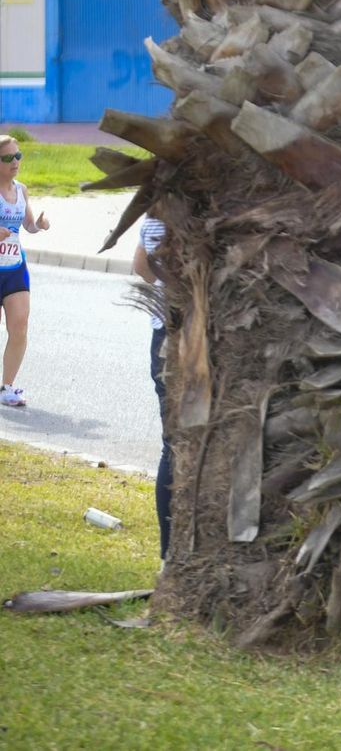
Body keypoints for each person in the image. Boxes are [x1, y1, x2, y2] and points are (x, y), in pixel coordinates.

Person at [132, 215, 173, 559]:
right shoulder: (200, 203)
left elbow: (140, 266)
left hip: (162, 336)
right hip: (187, 337)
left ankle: (168, 557)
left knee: (172, 446)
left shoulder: (154, 213)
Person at [0, 135, 48, 408]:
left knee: (19, 326)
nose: (15, 162)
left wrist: (39, 224)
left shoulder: (22, 190)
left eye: (18, 156)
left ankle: (7, 387)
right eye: (8, 158)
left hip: (15, 268)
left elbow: (28, 225)